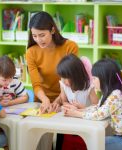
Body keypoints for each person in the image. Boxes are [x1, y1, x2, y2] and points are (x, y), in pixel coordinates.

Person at [26, 11, 78, 150]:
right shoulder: (31, 52)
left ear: (53, 30)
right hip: (43, 101)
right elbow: (36, 84)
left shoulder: (70, 46)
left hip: (66, 99)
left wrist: (58, 100)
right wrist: (45, 100)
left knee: (62, 140)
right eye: (34, 36)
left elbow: (70, 81)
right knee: (41, 141)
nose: (38, 39)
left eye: (42, 35)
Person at [63, 58, 122, 150]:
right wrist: (80, 109)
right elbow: (98, 108)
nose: (92, 82)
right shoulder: (109, 93)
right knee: (92, 142)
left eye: (94, 78)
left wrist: (76, 113)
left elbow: (99, 115)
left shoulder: (116, 95)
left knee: (94, 144)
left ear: (104, 78)